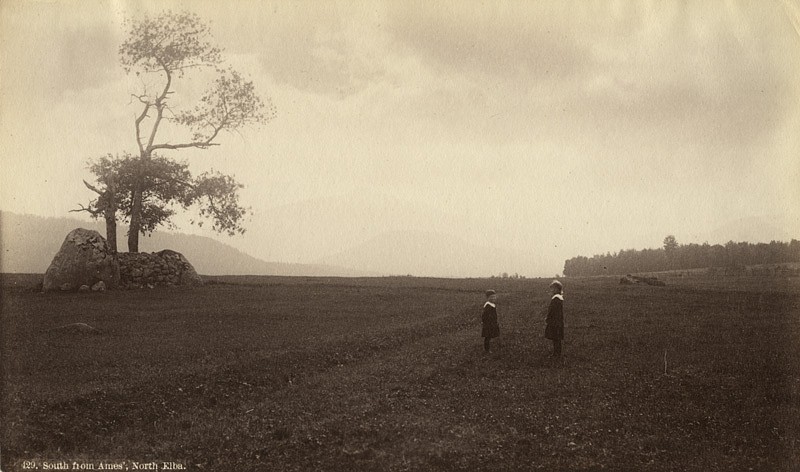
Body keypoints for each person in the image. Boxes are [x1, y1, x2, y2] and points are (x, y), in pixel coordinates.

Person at [544, 280, 564, 358]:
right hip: (558, 321)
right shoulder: (560, 298)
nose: (551, 291)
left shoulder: (556, 299)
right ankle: (557, 353)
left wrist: (548, 318)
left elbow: (552, 310)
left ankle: (556, 354)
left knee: (555, 338)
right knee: (556, 338)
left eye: (552, 289)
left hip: (554, 321)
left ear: (556, 289)